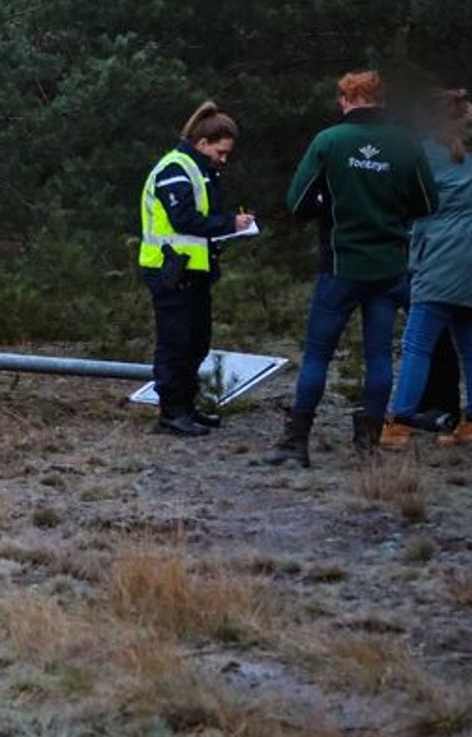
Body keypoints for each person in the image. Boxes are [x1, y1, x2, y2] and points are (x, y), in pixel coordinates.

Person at [264, 71, 439, 466]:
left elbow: (297, 203)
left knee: (317, 355)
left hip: (340, 266)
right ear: (381, 101)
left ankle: (296, 444)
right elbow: (428, 202)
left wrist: (331, 203)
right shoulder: (407, 143)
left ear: (346, 100)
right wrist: (392, 211)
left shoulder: (329, 141)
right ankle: (367, 446)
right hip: (390, 267)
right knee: (379, 355)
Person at [138, 101, 255, 436]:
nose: (223, 159)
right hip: (170, 271)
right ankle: (171, 413)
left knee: (196, 342)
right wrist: (229, 223)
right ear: (202, 143)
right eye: (220, 151)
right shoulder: (176, 168)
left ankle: (187, 407)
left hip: (195, 270)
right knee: (175, 343)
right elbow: (185, 219)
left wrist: (231, 224)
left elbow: (202, 218)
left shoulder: (201, 170)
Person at [383, 89, 472, 448]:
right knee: (469, 346)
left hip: (438, 258)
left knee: (417, 343)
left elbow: (396, 200)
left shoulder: (420, 153)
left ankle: (399, 423)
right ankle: (469, 425)